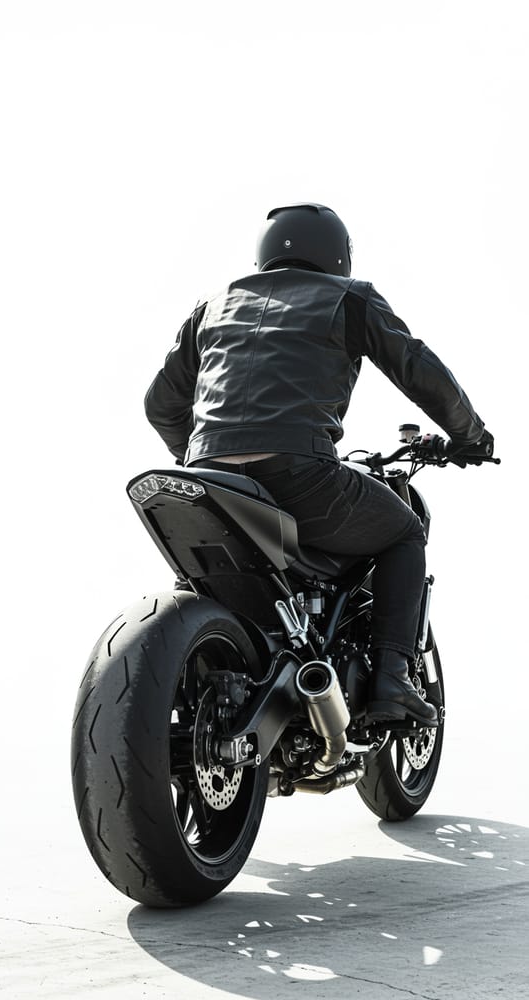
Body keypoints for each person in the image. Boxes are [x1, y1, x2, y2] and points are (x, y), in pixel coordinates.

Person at [143, 203, 492, 726]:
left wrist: (201, 456)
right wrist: (471, 435)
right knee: (402, 534)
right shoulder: (349, 297)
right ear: (337, 255)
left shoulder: (214, 304)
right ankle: (392, 680)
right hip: (299, 474)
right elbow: (418, 368)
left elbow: (160, 404)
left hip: (206, 477)